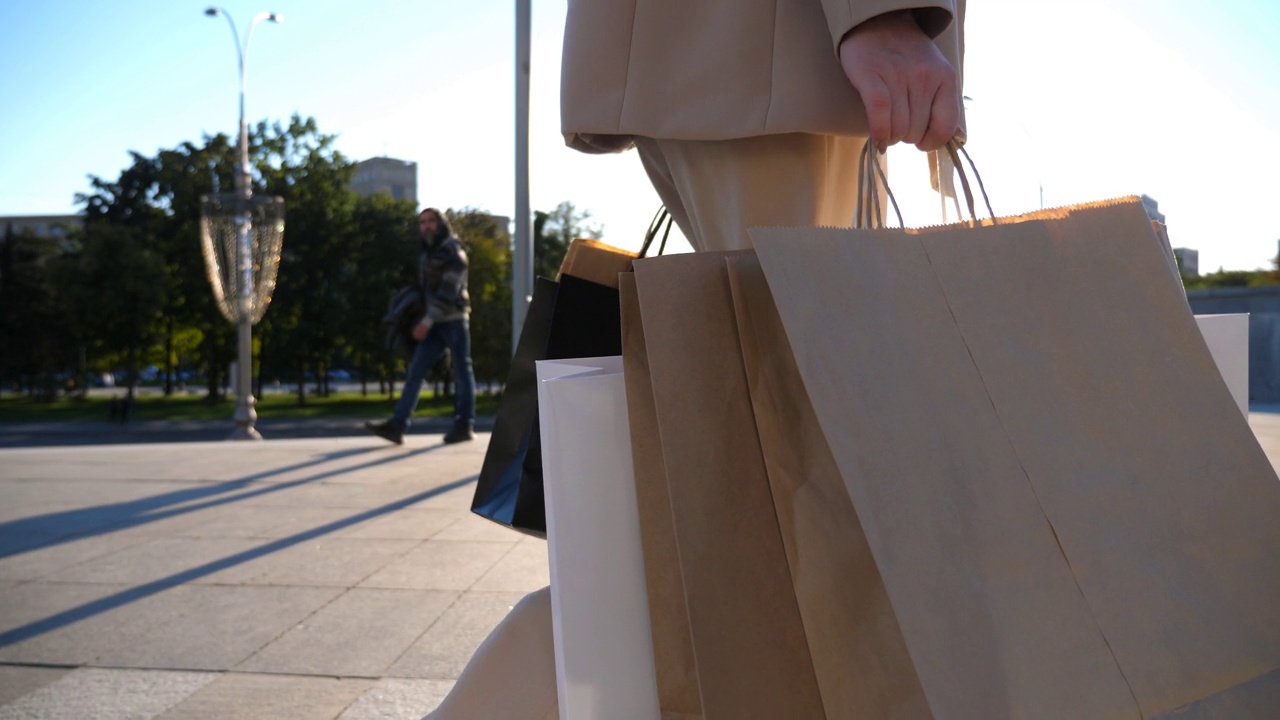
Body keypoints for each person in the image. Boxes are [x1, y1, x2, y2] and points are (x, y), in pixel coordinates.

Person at [425, 2, 966, 718]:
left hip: (726, 60)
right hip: (784, 57)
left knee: (776, 518)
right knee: (806, 523)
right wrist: (879, 15)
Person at [366, 208, 476, 446]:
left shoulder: (453, 252)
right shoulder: (429, 253)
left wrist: (426, 322)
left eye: (431, 221)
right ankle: (398, 426)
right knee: (416, 371)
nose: (426, 226)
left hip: (453, 320)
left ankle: (464, 425)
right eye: (422, 222)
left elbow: (450, 292)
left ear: (441, 224)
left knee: (462, 371)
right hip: (434, 323)